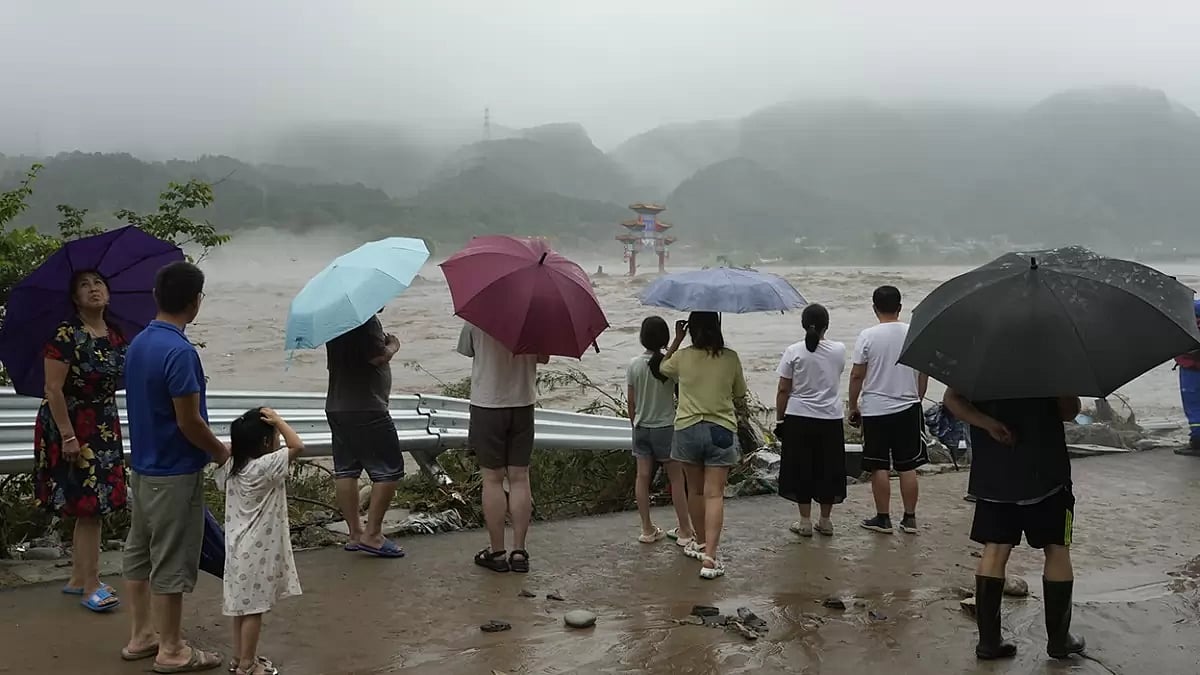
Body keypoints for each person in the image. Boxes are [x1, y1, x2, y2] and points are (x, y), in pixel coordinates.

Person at [120, 261, 228, 672]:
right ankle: (171, 650)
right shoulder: (180, 352)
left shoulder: (140, 343)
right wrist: (220, 452)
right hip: (175, 472)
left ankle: (141, 635)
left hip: (144, 468)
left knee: (139, 552)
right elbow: (189, 421)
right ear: (194, 301)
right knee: (171, 560)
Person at [942, 389, 1086, 661]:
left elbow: (952, 399)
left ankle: (989, 642)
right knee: (1057, 547)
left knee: (995, 548)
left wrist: (989, 424)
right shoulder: (1053, 354)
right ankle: (1059, 640)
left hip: (993, 472)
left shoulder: (977, 353)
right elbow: (1068, 412)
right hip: (1047, 473)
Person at [35, 270, 127, 612]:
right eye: (85, 285)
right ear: (75, 298)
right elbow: (52, 389)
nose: (94, 289)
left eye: (99, 283)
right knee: (90, 508)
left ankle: (77, 578)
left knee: (90, 507)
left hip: (103, 425)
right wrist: (69, 435)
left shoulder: (115, 335)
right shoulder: (65, 334)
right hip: (72, 427)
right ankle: (92, 586)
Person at [214, 408, 305, 675]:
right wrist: (278, 421)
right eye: (275, 436)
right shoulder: (266, 466)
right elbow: (297, 445)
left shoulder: (232, 467)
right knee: (254, 610)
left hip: (235, 548)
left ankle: (239, 657)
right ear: (266, 443)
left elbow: (223, 451)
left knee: (241, 609)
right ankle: (248, 665)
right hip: (257, 552)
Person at [660, 312, 747, 580]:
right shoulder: (730, 357)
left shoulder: (683, 357)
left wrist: (676, 339)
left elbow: (662, 367)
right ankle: (710, 557)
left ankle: (698, 543)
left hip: (687, 429)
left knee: (694, 491)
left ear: (692, 329)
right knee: (714, 495)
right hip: (720, 430)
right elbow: (739, 394)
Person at [458, 322, 548, 574]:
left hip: (487, 405)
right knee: (520, 477)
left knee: (493, 479)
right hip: (522, 403)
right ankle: (519, 552)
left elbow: (467, 350)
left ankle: (497, 552)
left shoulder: (476, 317)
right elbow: (543, 357)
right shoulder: (532, 319)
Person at [325, 309, 406, 558]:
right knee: (390, 470)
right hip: (366, 407)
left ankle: (355, 533)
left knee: (347, 469)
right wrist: (393, 345)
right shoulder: (366, 321)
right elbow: (377, 357)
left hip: (337, 405)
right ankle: (373, 535)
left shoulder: (334, 321)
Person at [848, 285, 929, 535]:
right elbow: (924, 370)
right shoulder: (913, 332)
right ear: (900, 307)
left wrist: (853, 406)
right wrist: (918, 396)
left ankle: (883, 519)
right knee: (908, 466)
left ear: (874, 308)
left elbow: (857, 375)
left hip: (876, 409)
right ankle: (910, 518)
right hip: (908, 407)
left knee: (879, 465)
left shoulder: (867, 336)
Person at [774, 304, 847, 537]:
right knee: (828, 468)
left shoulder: (793, 351)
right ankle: (825, 521)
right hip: (830, 417)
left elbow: (783, 390)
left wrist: (780, 420)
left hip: (798, 418)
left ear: (803, 325)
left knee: (801, 468)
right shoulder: (839, 350)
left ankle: (804, 521)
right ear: (827, 325)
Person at [626, 316, 693, 546]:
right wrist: (678, 339)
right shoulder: (668, 365)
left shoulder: (634, 364)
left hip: (641, 427)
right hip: (665, 427)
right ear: (664, 338)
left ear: (642, 337)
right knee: (676, 479)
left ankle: (647, 529)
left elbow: (631, 403)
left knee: (642, 478)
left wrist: (635, 423)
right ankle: (685, 530)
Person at [1174, 299, 1200, 456]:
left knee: (1194, 407)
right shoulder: (1187, 309)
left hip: (1191, 369)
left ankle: (1197, 442)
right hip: (1191, 365)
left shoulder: (1181, 314)